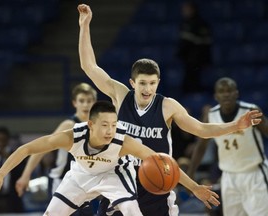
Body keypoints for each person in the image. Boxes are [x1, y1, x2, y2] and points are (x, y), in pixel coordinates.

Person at [77, 4, 262, 216]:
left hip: (157, 184)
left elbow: (201, 129)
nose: (148, 89)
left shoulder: (167, 106)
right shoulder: (120, 95)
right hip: (122, 182)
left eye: (152, 83)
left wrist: (235, 125)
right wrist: (85, 26)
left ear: (158, 83)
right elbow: (89, 66)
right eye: (143, 83)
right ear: (132, 83)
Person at [0, 101, 221, 216]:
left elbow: (165, 164)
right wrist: (1, 173)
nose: (110, 130)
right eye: (105, 125)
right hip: (80, 176)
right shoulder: (71, 136)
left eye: (114, 125)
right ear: (91, 124)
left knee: (131, 210)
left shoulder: (123, 141)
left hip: (113, 176)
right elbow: (27, 149)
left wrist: (195, 187)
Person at [187, 77, 268, 216]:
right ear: (216, 96)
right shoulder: (211, 115)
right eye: (221, 91)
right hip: (229, 176)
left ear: (236, 93)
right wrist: (191, 173)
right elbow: (200, 147)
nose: (226, 94)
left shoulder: (250, 110)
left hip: (254, 173)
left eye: (229, 91)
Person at [15, 83, 98, 215]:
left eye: (89, 101)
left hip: (85, 182)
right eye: (81, 101)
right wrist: (26, 175)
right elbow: (42, 150)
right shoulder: (69, 124)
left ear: (95, 103)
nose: (86, 105)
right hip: (61, 181)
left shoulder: (97, 127)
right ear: (74, 103)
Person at [176, 1, 212, 94]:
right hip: (187, 60)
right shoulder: (184, 23)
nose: (184, 11)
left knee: (196, 83)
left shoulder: (201, 24)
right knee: (186, 85)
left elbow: (204, 43)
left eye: (187, 9)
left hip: (198, 60)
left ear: (193, 10)